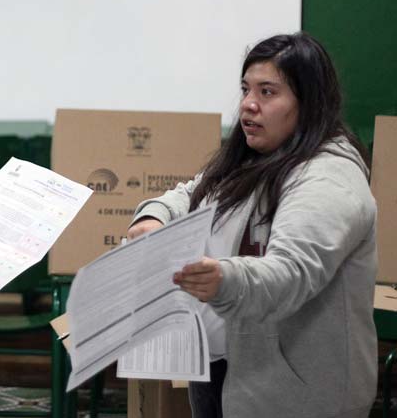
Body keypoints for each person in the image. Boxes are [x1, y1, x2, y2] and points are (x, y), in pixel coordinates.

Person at [128, 32, 377, 418]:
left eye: (267, 92)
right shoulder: (258, 154)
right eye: (246, 89)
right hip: (224, 369)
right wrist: (154, 217)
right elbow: (195, 193)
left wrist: (222, 279)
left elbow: (290, 274)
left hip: (292, 394)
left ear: (308, 103)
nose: (247, 105)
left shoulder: (329, 179)